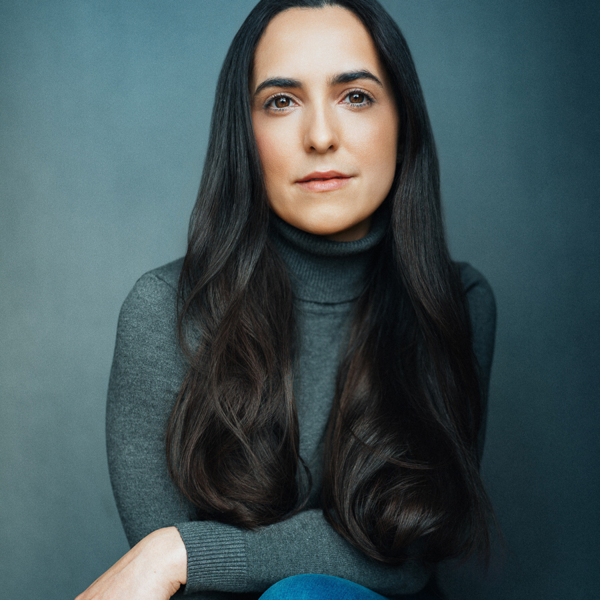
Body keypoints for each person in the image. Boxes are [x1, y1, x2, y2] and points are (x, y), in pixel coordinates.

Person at [77, 0, 496, 598]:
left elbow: (409, 553)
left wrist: (181, 551)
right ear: (244, 137)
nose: (320, 137)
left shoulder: (455, 305)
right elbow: (177, 591)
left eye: (356, 96)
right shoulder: (164, 313)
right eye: (281, 101)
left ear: (403, 124)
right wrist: (177, 559)